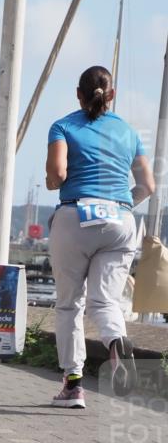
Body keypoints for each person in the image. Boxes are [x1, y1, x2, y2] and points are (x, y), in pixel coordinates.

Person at [45, 65, 155, 408]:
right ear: (112, 95)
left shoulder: (62, 126)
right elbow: (148, 185)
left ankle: (73, 384)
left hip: (76, 215)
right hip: (121, 219)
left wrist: (54, 182)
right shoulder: (129, 132)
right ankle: (115, 341)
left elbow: (57, 174)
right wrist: (121, 205)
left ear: (78, 94)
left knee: (69, 304)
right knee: (105, 301)